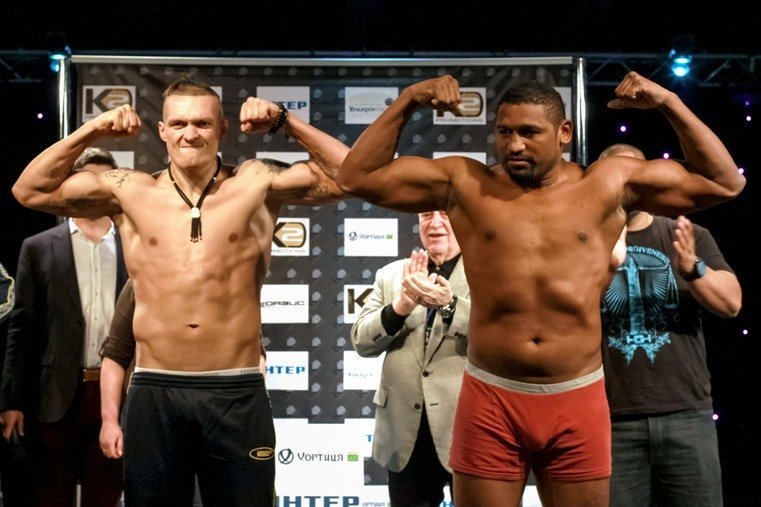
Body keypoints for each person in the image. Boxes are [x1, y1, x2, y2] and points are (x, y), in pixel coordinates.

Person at [335, 71, 745, 506]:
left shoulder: (608, 183)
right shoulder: (466, 184)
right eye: (504, 132)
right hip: (490, 396)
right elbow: (357, 177)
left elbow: (725, 182)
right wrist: (409, 99)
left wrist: (668, 102)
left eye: (529, 133)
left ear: (564, 132)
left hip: (577, 396)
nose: (514, 145)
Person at [11, 76, 348, 506]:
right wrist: (92, 130)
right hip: (155, 391)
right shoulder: (130, 191)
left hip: (236, 390)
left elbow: (350, 177)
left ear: (222, 128)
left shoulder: (255, 182)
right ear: (163, 130)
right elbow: (29, 190)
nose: (191, 133)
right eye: (179, 123)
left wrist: (286, 121)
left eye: (202, 123)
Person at [598, 143, 741, 507]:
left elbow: (731, 303)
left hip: (686, 415)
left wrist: (694, 268)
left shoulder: (685, 234)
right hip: (610, 422)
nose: (626, 185)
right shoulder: (583, 244)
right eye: (614, 176)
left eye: (634, 175)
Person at [0, 147, 128, 506]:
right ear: (72, 185)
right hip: (54, 397)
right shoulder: (39, 247)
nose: (95, 191)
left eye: (104, 182)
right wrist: (11, 401)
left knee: (105, 496)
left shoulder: (135, 246)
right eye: (87, 182)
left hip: (118, 395)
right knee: (50, 496)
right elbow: (22, 328)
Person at [351, 210, 470, 506]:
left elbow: (503, 334)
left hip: (468, 428)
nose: (435, 223)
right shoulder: (391, 274)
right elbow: (362, 341)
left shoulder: (487, 270)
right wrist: (400, 307)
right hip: (405, 431)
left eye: (445, 214)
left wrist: (450, 305)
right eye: (426, 215)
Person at [98, 278, 268, 460]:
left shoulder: (234, 281)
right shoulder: (141, 281)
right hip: (155, 412)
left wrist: (255, 409)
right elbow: (115, 356)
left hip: (225, 409)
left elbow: (254, 356)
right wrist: (109, 421)